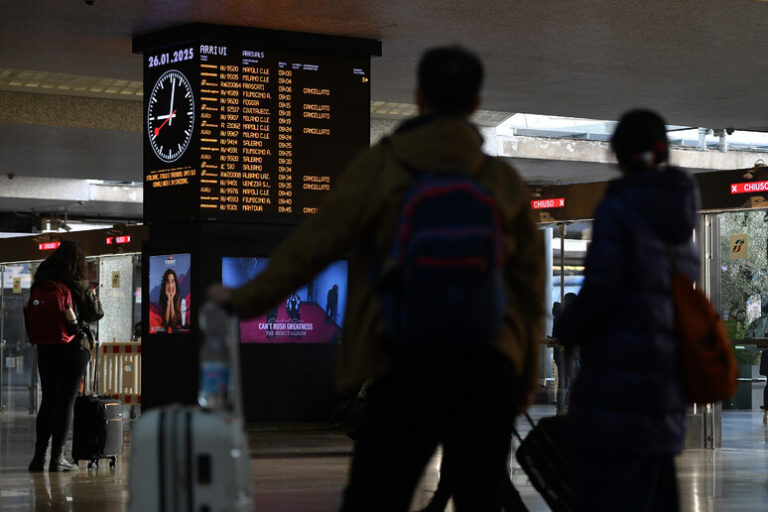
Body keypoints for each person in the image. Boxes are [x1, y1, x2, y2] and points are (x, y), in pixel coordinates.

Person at [209, 45, 544, 511]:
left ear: (419, 97)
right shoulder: (502, 181)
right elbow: (529, 287)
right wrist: (525, 373)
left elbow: (311, 247)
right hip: (487, 365)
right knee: (482, 495)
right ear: (474, 104)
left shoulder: (381, 167)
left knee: (374, 497)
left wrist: (242, 300)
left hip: (405, 360)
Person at [558, 109, 699, 511]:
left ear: (617, 155)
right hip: (663, 393)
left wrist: (570, 324)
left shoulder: (619, 209)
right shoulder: (678, 217)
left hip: (615, 393)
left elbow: (603, 294)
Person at [28, 240, 104, 472]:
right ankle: (57, 458)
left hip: (46, 345)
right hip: (72, 345)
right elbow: (95, 313)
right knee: (65, 401)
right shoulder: (76, 280)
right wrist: (91, 292)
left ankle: (39, 458)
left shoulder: (43, 277)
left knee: (48, 399)